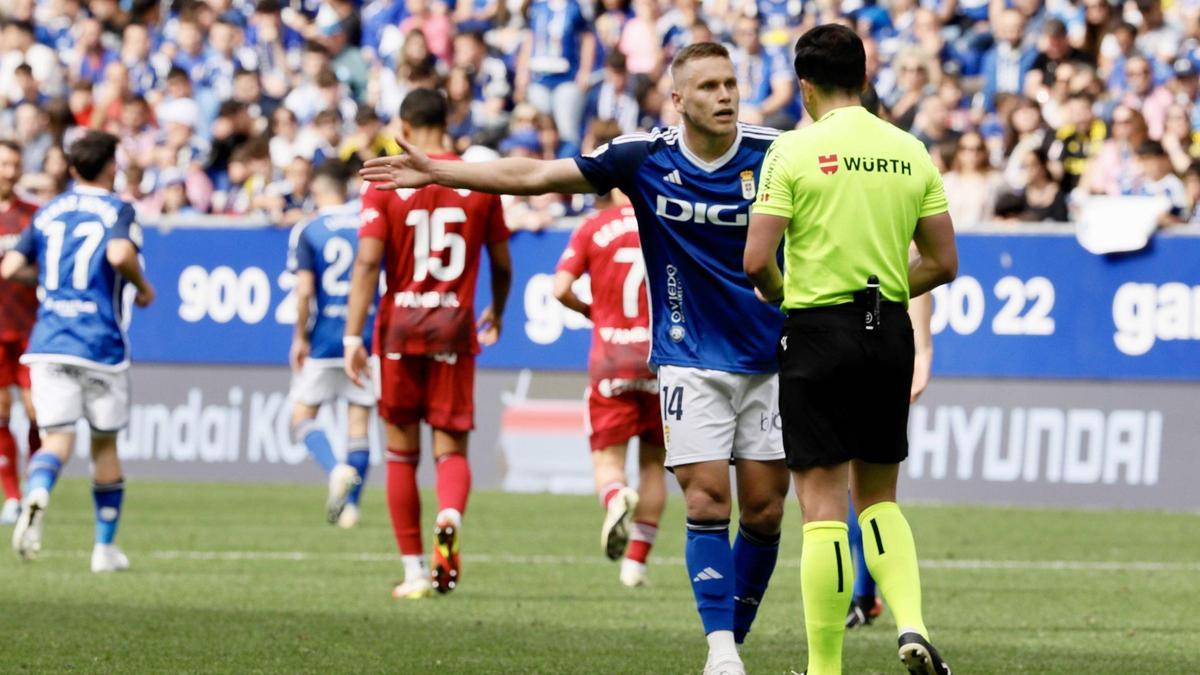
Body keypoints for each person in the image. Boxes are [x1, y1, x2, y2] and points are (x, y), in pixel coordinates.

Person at [361, 43, 790, 675]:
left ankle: (736, 634)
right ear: (678, 100)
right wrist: (444, 172)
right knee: (705, 501)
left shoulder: (776, 153)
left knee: (765, 508)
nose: (725, 96)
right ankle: (721, 652)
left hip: (766, 356)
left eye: (730, 84)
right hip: (688, 357)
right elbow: (535, 174)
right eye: (708, 87)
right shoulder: (643, 157)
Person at [744, 25, 957, 675]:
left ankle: (824, 666)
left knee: (822, 510)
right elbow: (944, 261)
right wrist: (890, 278)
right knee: (881, 498)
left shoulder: (792, 150)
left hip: (817, 333)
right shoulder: (910, 149)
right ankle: (912, 623)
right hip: (888, 329)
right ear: (864, 79)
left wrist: (785, 295)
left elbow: (755, 259)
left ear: (805, 86)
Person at [344, 88, 512, 600]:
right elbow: (503, 265)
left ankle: (415, 571)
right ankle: (449, 514)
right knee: (450, 448)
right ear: (448, 122)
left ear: (406, 128)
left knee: (399, 454)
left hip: (398, 329)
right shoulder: (479, 181)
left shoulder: (388, 180)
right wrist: (497, 310)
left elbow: (369, 262)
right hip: (454, 329)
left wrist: (354, 334)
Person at [0, 131, 155, 572]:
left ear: (71, 169)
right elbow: (120, 251)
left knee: (57, 438)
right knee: (104, 445)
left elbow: (10, 266)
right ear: (111, 167)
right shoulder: (118, 209)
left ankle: (38, 492)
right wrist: (143, 288)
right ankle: (104, 550)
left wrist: (51, 280)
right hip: (99, 343)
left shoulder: (49, 211)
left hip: (48, 341)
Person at [552, 136, 667, 587]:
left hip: (611, 359)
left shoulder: (593, 227)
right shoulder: (666, 221)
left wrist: (591, 311)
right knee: (655, 465)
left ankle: (616, 496)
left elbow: (560, 288)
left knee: (608, 460)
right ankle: (635, 565)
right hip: (660, 360)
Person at [286, 160, 374, 529]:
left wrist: (300, 335)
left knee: (302, 417)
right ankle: (350, 508)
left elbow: (305, 290)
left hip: (324, 337)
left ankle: (335, 468)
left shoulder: (309, 229)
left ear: (319, 191)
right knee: (359, 424)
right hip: (365, 336)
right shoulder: (367, 222)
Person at [0, 140, 40, 524]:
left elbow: (46, 269)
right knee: (1, 412)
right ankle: (11, 497)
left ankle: (35, 487)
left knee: (36, 411)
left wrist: (18, 271)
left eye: (15, 164)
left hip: (30, 327)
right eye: (4, 164)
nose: (10, 172)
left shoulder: (33, 216)